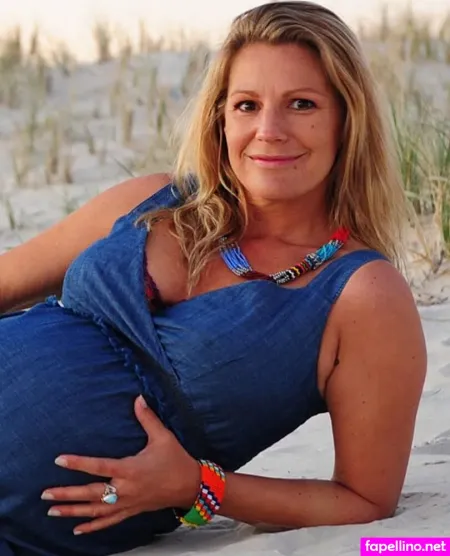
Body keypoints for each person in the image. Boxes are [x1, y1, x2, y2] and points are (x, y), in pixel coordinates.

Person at [0, 1, 427, 555]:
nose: (269, 131)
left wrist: (198, 487)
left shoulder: (364, 296)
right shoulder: (153, 200)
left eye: (301, 104)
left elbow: (366, 501)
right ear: (221, 118)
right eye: (247, 105)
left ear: (347, 120)